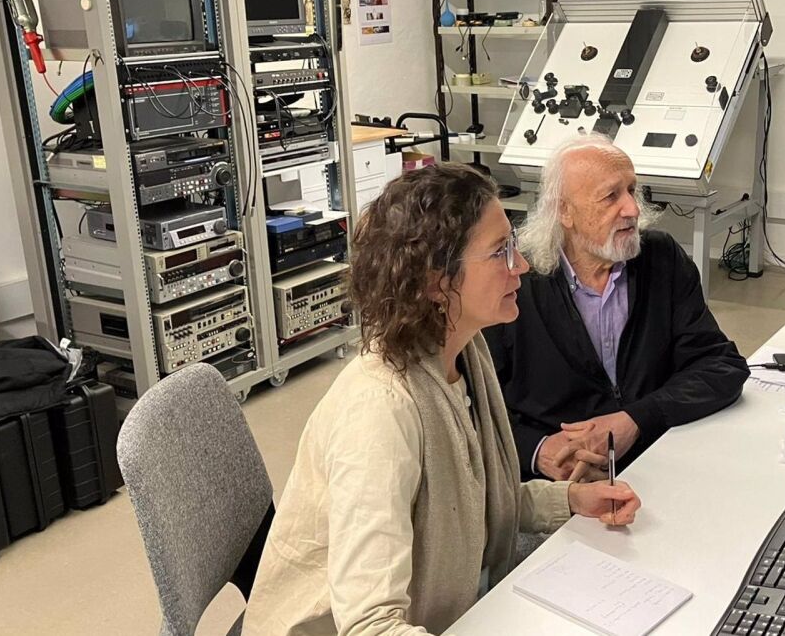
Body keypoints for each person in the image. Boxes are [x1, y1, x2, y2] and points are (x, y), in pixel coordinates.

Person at [245, 163, 641, 636]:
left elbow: (471, 503)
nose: (521, 265)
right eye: (500, 252)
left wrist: (571, 499)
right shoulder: (380, 410)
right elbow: (369, 626)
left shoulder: (464, 351)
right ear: (436, 282)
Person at [485, 134, 751, 481]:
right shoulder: (515, 282)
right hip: (558, 485)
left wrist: (636, 419)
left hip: (659, 460)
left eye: (632, 190)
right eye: (611, 196)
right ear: (564, 211)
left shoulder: (661, 259)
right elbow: (474, 404)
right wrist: (537, 451)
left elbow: (720, 365)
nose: (632, 209)